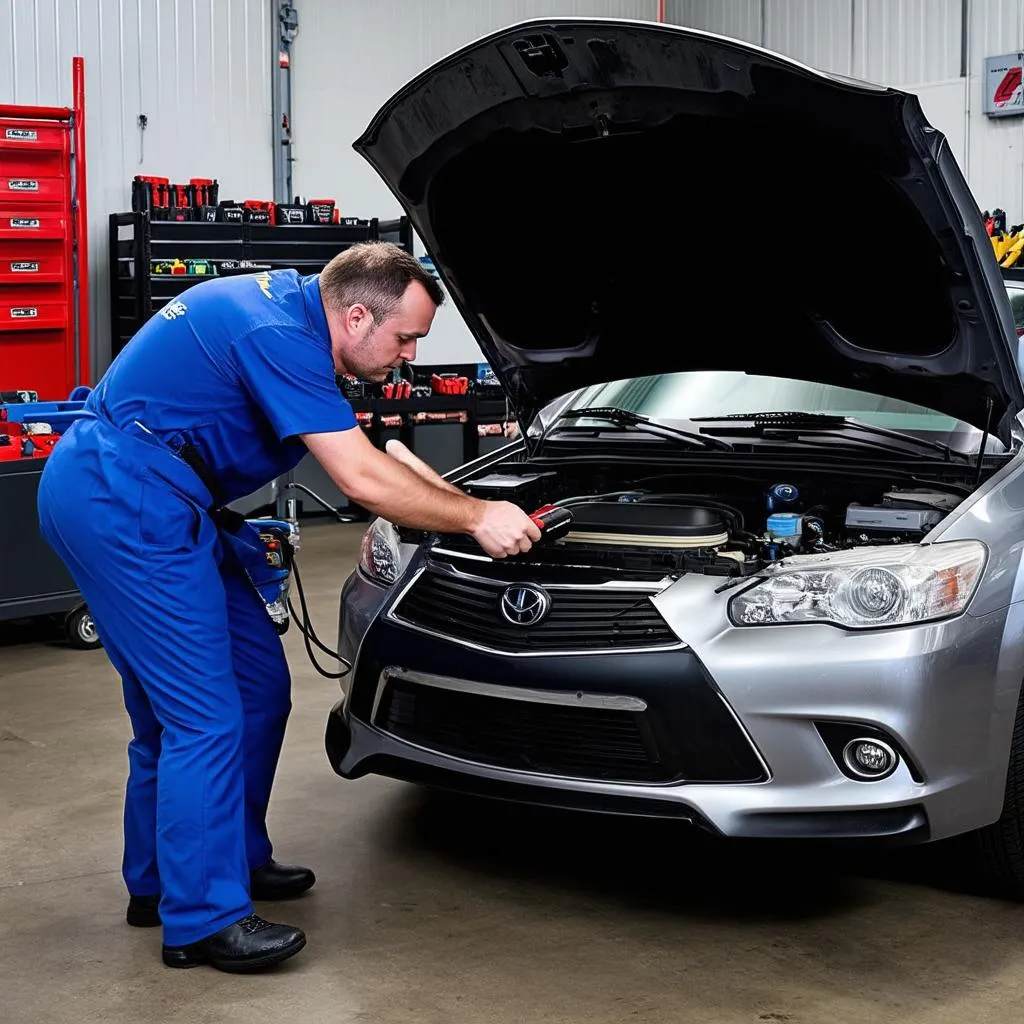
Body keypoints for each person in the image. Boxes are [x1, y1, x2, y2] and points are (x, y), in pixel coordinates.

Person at [37, 242, 540, 974]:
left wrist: (461, 494)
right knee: (198, 715)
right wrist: (474, 519)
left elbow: (372, 453)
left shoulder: (293, 317)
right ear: (358, 314)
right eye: (405, 339)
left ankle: (199, 868)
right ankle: (201, 919)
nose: (406, 358)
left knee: (257, 690)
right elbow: (360, 478)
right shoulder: (275, 334)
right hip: (123, 498)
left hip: (168, 495)